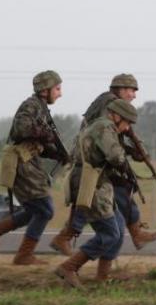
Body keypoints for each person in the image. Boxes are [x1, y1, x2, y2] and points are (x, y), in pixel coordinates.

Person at [50, 73, 156, 255]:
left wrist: (134, 149)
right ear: (121, 90)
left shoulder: (110, 103)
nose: (134, 95)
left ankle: (135, 233)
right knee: (99, 196)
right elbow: (107, 135)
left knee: (115, 192)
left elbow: (121, 133)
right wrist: (129, 152)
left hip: (98, 157)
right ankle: (66, 237)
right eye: (131, 90)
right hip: (94, 159)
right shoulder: (109, 106)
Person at [0, 70, 66, 265]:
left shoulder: (41, 108)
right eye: (57, 89)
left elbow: (37, 141)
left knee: (36, 209)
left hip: (29, 161)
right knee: (44, 209)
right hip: (21, 161)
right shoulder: (31, 105)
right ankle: (23, 255)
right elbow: (22, 130)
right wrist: (46, 134)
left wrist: (56, 153)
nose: (60, 94)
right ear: (45, 90)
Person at [54, 99, 138, 288]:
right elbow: (116, 157)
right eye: (127, 122)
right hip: (92, 183)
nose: (127, 128)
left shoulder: (101, 126)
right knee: (110, 233)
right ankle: (69, 267)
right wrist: (127, 154)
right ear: (116, 116)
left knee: (117, 228)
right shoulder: (104, 127)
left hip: (97, 181)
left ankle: (102, 276)